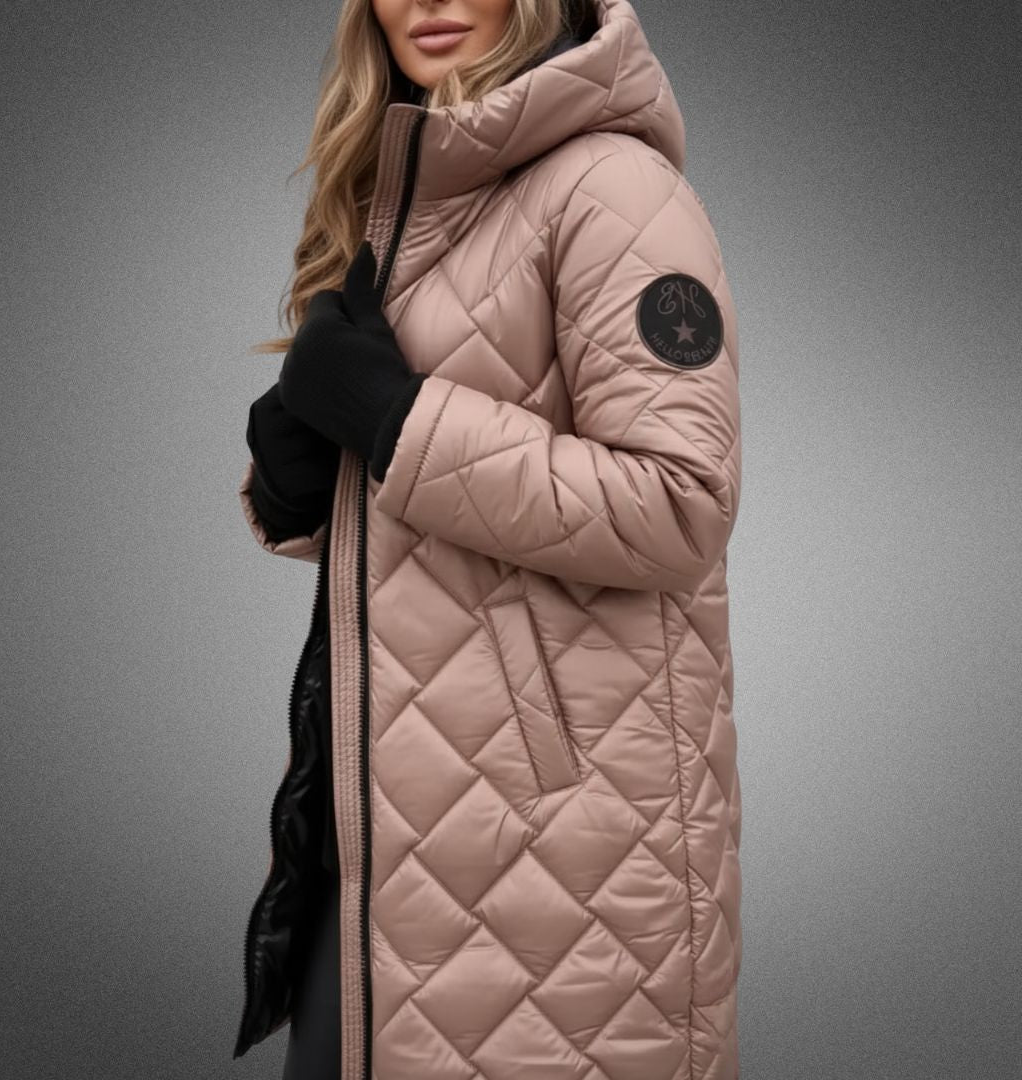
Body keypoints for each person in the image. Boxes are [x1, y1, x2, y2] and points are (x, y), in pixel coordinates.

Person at [235, 1, 743, 1078]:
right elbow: (439, 537)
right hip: (378, 833)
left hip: (563, 854)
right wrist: (301, 476)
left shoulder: (616, 190)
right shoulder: (403, 194)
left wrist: (394, 419)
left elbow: (680, 502)